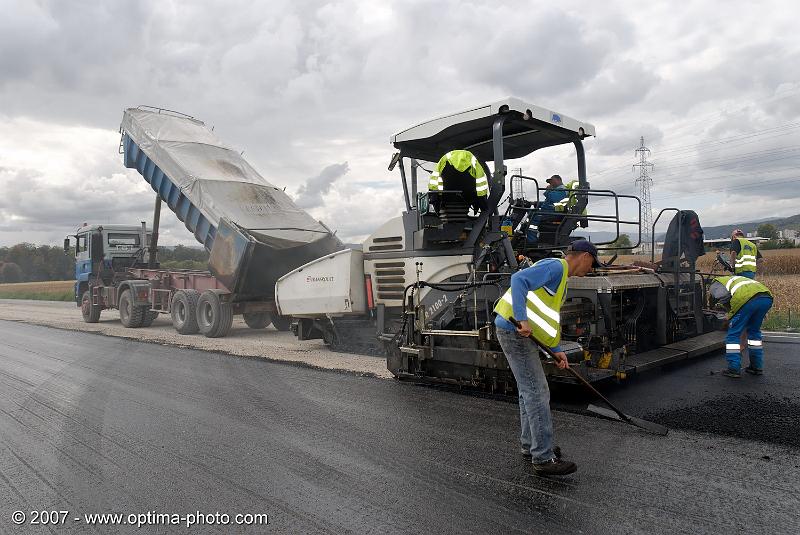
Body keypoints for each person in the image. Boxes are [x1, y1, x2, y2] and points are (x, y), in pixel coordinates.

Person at [493, 239, 601, 476]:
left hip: (520, 334)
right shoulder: (555, 267)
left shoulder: (560, 276)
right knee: (537, 392)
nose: (590, 270)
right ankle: (543, 457)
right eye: (592, 264)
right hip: (514, 331)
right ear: (585, 257)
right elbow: (518, 279)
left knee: (528, 391)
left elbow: (545, 318)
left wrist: (555, 350)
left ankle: (530, 445)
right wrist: (521, 319)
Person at [709, 275, 773, 378]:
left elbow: (725, 299)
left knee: (733, 334)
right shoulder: (737, 280)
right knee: (754, 333)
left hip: (747, 299)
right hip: (766, 297)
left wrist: (729, 316)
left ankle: (733, 368)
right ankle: (756, 367)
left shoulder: (715, 284)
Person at [427, 150, 489, 214]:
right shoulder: (473, 161)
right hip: (468, 196)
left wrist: (435, 201)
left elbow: (433, 182)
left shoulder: (443, 160)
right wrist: (483, 206)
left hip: (448, 197)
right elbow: (481, 184)